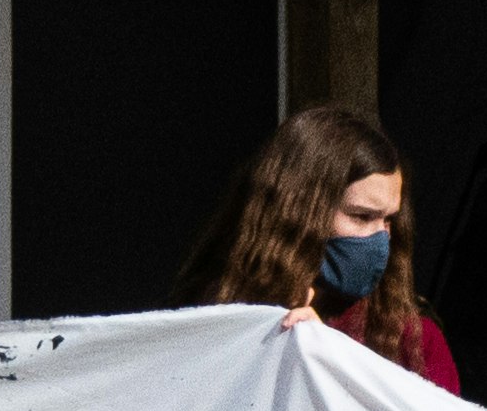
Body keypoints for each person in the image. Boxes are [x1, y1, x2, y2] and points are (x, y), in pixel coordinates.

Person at [184, 105, 459, 393]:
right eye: (361, 217)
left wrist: (330, 360)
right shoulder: (213, 318)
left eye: (389, 219)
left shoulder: (415, 342)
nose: (380, 238)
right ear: (299, 215)